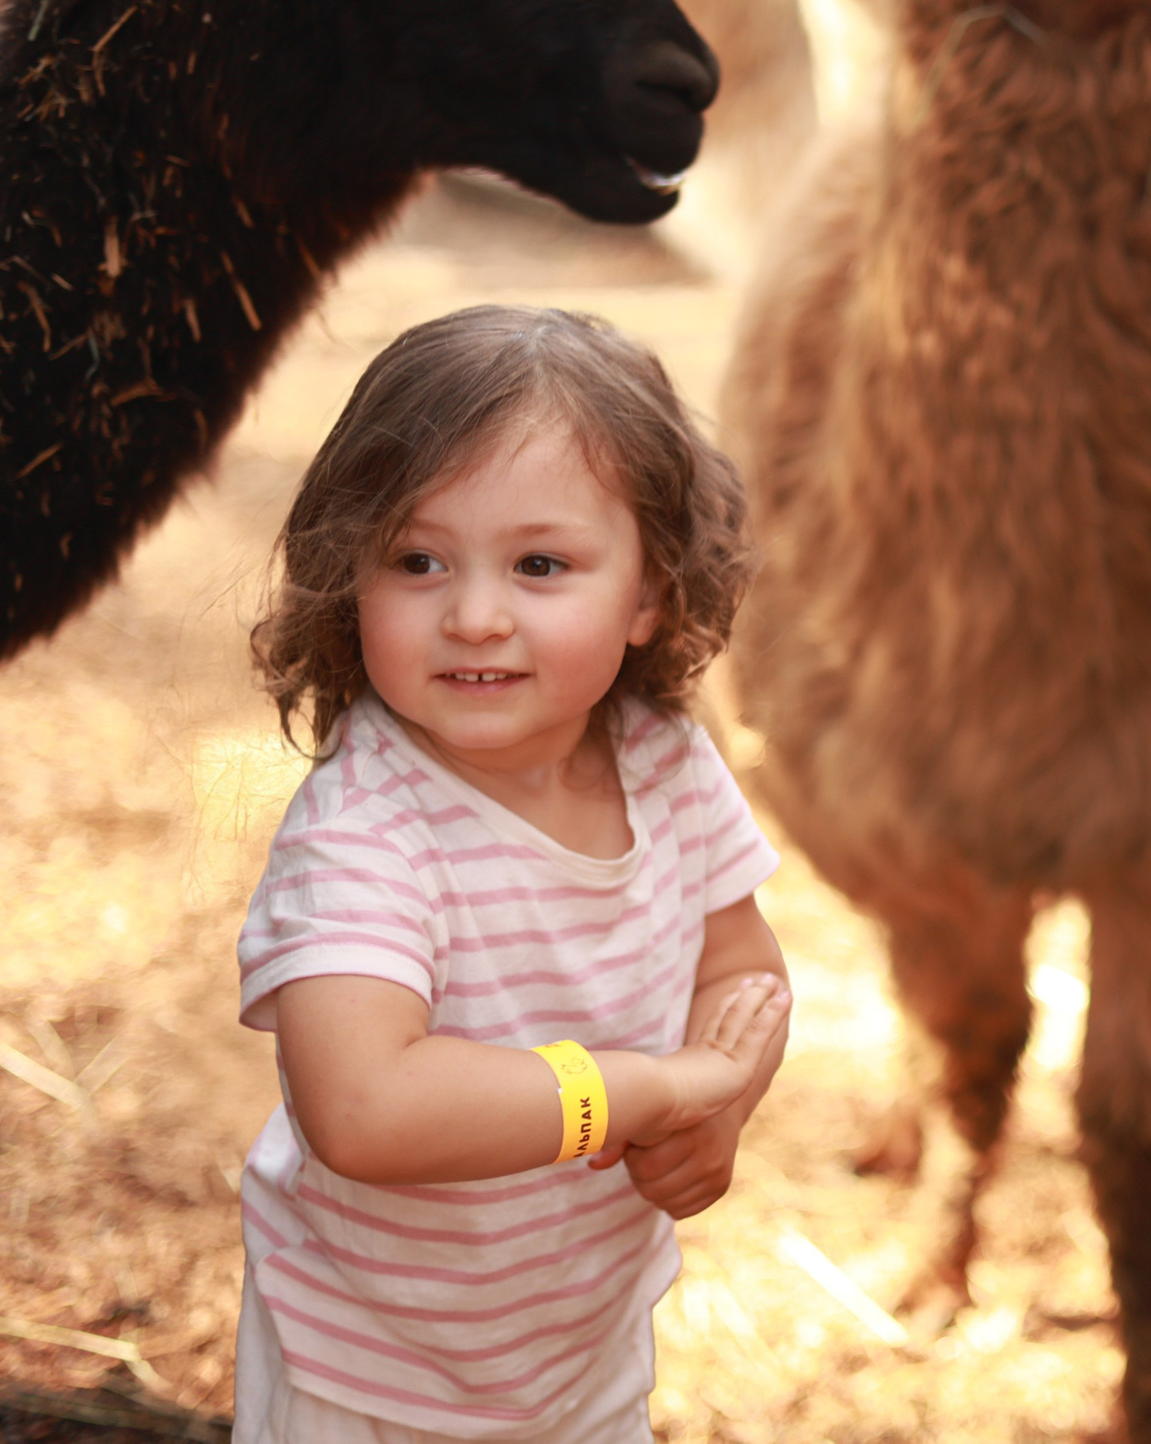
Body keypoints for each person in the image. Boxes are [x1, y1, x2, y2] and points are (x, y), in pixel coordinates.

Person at [232, 306, 792, 1443]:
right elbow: (364, 1108)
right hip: (371, 1371)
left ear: (647, 593)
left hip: (579, 1354)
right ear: (350, 575)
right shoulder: (366, 834)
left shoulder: (665, 764)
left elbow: (742, 972)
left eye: (540, 564)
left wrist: (722, 1105)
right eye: (418, 560)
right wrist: (638, 1094)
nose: (475, 615)